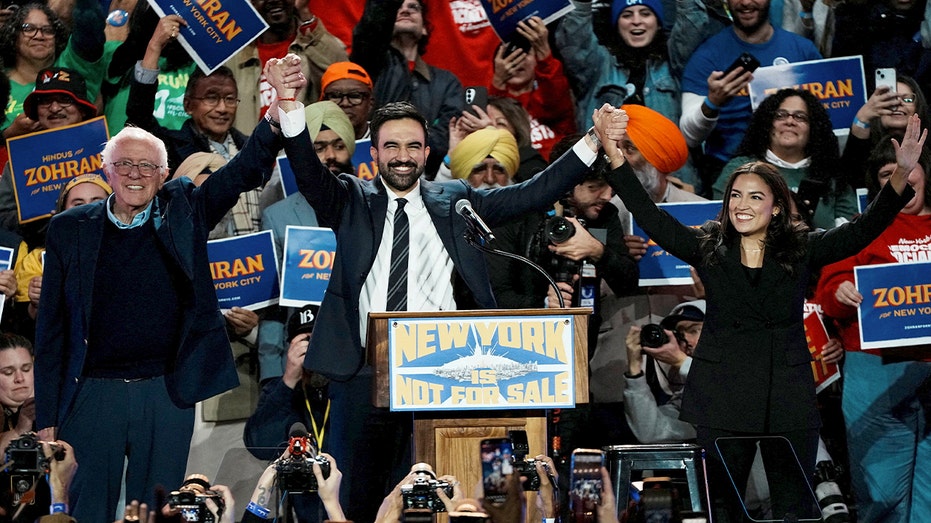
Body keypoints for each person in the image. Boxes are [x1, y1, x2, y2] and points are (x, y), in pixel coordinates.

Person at [280, 98, 622, 520]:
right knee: (357, 500)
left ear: (427, 152)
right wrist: (289, 106)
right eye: (391, 146)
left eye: (413, 146)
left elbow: (533, 192)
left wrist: (592, 142)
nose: (402, 156)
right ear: (375, 153)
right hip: (362, 371)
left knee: (437, 499)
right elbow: (308, 173)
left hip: (437, 374)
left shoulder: (456, 200)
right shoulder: (350, 197)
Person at [598, 105, 925, 518]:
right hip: (722, 396)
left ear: (776, 207)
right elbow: (649, 215)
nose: (742, 204)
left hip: (786, 395)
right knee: (724, 508)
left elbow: (863, 230)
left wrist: (900, 175)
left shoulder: (802, 248)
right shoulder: (707, 248)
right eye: (735, 195)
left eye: (755, 196)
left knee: (793, 508)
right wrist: (613, 153)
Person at [33, 56, 307, 521]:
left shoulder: (184, 211)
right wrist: (46, 418)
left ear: (164, 176)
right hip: (91, 392)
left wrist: (279, 108)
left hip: (165, 391)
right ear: (106, 171)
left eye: (147, 166)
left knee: (159, 508)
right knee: (85, 508)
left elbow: (242, 171)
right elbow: (52, 331)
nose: (135, 174)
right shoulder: (69, 228)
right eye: (124, 164)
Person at [814, 138, 931, 522]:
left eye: (909, 168)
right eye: (888, 173)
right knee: (880, 493)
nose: (902, 176)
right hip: (876, 369)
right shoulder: (861, 229)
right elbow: (827, 295)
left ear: (925, 173)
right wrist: (841, 291)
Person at [679, 0, 821, 195]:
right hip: (729, 170)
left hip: (796, 168)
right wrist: (713, 103)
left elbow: (824, 118)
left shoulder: (802, 50)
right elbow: (689, 136)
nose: (745, 2)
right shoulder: (707, 56)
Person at [712, 88, 857, 231]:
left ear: (813, 127)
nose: (790, 121)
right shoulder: (741, 167)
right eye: (780, 115)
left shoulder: (831, 173)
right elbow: (720, 219)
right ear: (767, 123)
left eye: (800, 117)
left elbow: (847, 232)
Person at [351, 0, 464, 176]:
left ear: (424, 28)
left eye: (413, 7)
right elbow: (369, 33)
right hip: (371, 173)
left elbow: (447, 135)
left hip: (430, 177)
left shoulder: (447, 83)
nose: (405, 11)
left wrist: (400, 147)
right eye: (398, 7)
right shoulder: (369, 66)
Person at [126, 15, 249, 172]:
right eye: (211, 98)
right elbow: (139, 118)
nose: (222, 108)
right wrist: (154, 46)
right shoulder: (169, 147)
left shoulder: (251, 147)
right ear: (188, 105)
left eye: (230, 99)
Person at [229, 0, 347, 131]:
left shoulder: (313, 46)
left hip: (303, 141)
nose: (273, 0)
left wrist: (305, 13)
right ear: (251, 3)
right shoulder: (234, 56)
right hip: (250, 142)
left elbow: (343, 75)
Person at [0, 0, 104, 141]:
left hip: (80, 152)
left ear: (57, 37)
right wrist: (9, 133)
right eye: (28, 29)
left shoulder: (73, 64)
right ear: (13, 34)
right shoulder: (1, 83)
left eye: (48, 30)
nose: (39, 36)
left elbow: (88, 26)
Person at [487, 15, 576, 161]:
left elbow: (554, 96)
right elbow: (492, 121)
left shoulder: (550, 99)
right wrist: (498, 81)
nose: (517, 60)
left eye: (525, 52)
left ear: (536, 59)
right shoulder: (493, 100)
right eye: (510, 53)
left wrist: (544, 55)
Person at [624, 301, 704, 443]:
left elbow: (723, 394)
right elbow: (650, 431)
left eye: (693, 330)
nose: (686, 341)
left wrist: (681, 362)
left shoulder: (741, 370)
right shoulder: (689, 392)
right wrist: (635, 371)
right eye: (680, 335)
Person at [840, 75, 929, 189]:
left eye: (907, 99)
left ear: (918, 107)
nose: (898, 103)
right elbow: (849, 181)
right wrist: (862, 119)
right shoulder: (866, 151)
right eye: (889, 100)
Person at [320, 61, 375, 142]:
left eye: (355, 96)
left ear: (370, 103)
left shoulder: (385, 139)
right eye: (335, 96)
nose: (345, 103)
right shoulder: (309, 142)